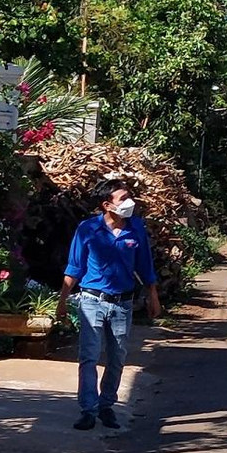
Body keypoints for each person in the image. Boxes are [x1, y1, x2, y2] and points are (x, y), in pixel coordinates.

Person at [57, 179, 161, 430]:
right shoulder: (87, 229)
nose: (129, 203)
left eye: (129, 196)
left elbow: (144, 265)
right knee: (89, 356)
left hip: (122, 303)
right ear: (107, 205)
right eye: (123, 198)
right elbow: (74, 267)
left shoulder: (136, 228)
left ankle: (106, 406)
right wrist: (62, 301)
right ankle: (88, 410)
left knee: (117, 357)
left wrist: (153, 295)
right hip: (92, 300)